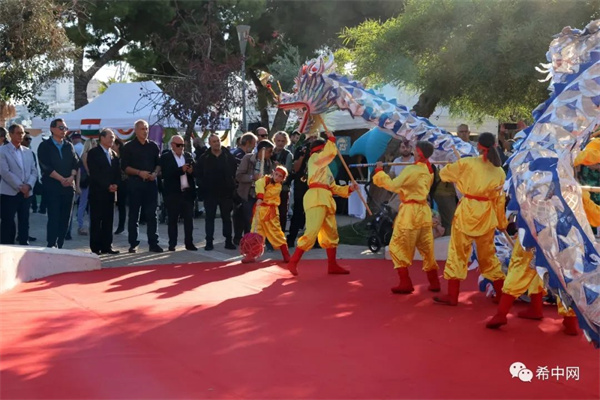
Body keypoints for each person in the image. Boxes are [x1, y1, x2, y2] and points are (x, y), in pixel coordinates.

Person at [433, 132, 507, 306]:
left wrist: (454, 168)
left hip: (467, 213)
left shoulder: (466, 163)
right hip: (487, 214)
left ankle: (452, 295)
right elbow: (499, 200)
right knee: (488, 256)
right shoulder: (499, 172)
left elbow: (444, 174)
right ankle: (502, 293)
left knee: (457, 254)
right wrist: (502, 223)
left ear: (479, 146)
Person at [372, 141, 441, 294]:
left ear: (418, 153)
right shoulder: (429, 171)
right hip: (424, 212)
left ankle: (405, 282)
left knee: (397, 246)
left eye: (415, 150)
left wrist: (379, 171)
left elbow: (393, 185)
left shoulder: (412, 170)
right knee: (427, 248)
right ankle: (434, 282)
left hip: (410, 213)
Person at [287, 132, 358, 276]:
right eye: (325, 148)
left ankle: (332, 265)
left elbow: (333, 187)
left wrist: (349, 189)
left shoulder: (326, 168)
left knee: (331, 233)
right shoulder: (314, 158)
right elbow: (330, 153)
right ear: (320, 149)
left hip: (326, 198)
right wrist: (331, 140)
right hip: (315, 197)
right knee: (312, 232)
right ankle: (293, 261)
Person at [120, 119, 163, 253]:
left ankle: (153, 243)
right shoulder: (129, 147)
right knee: (134, 215)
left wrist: (155, 173)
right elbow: (125, 167)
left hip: (151, 184)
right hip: (135, 184)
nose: (145, 131)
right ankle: (133, 243)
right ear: (136, 131)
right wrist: (139, 173)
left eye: (146, 129)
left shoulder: (153, 146)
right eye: (142, 129)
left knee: (152, 214)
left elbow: (159, 163)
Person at [37, 119, 79, 248]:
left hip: (68, 188)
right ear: (52, 129)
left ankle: (60, 244)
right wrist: (61, 179)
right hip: (53, 187)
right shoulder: (45, 146)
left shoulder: (68, 145)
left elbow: (75, 162)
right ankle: (51, 244)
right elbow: (45, 167)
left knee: (65, 218)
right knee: (54, 217)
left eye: (65, 128)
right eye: (61, 128)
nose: (64, 131)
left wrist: (71, 177)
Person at [195, 133, 238, 251]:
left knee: (226, 218)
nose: (217, 143)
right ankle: (209, 241)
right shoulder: (204, 158)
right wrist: (203, 186)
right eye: (214, 141)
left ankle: (228, 241)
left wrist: (231, 185)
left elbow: (234, 171)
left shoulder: (228, 156)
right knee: (209, 218)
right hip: (210, 193)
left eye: (218, 141)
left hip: (226, 193)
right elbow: (198, 174)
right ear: (209, 143)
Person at [242, 165, 291, 263]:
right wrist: (260, 193)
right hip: (260, 210)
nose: (277, 177)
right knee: (256, 232)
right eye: (276, 174)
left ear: (283, 179)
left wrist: (261, 195)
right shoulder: (265, 180)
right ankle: (251, 255)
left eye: (280, 176)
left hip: (270, 212)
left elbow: (268, 192)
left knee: (276, 232)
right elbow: (259, 183)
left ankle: (286, 254)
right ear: (273, 173)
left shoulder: (278, 187)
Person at [0, 124, 38, 245]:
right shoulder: (2, 151)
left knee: (24, 221)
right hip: (9, 193)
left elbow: (34, 171)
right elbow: (5, 172)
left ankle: (23, 243)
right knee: (8, 222)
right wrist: (20, 186)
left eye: (22, 133)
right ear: (10, 134)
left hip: (26, 193)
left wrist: (28, 186)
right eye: (18, 133)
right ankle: (6, 246)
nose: (20, 136)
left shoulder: (28, 152)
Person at [160, 135, 197, 251]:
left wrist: (191, 170)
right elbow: (166, 174)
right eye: (178, 145)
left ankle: (189, 243)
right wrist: (181, 170)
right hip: (173, 193)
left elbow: (196, 171)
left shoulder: (188, 156)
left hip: (187, 192)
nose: (181, 147)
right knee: (172, 220)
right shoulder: (166, 157)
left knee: (189, 220)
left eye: (183, 145)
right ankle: (172, 243)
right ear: (172, 145)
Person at [87, 128, 120, 255]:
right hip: (97, 192)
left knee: (108, 220)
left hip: (110, 193)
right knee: (96, 220)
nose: (112, 139)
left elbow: (117, 173)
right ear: (102, 137)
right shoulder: (94, 153)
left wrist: (116, 184)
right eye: (110, 137)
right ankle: (95, 247)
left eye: (113, 137)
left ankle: (107, 245)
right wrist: (107, 185)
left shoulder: (114, 154)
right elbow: (95, 173)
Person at [236, 140, 274, 241]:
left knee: (257, 219)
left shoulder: (268, 162)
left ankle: (254, 240)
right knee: (248, 219)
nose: (271, 154)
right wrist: (253, 177)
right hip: (248, 194)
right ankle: (247, 240)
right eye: (269, 151)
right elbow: (239, 176)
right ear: (262, 150)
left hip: (260, 195)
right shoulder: (248, 158)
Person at [287, 134, 318, 248]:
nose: (313, 139)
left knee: (314, 212)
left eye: (315, 137)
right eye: (311, 137)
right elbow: (296, 168)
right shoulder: (301, 149)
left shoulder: (321, 149)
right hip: (301, 183)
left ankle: (314, 239)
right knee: (298, 210)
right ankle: (291, 238)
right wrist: (302, 156)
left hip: (315, 184)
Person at [232, 132, 257, 244]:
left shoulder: (236, 153)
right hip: (240, 189)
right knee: (242, 217)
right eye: (254, 144)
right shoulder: (241, 156)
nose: (254, 147)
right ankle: (242, 238)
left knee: (241, 216)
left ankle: (239, 238)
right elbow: (238, 174)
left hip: (239, 189)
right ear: (248, 143)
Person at [271, 131, 293, 232]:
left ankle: (281, 234)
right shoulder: (270, 152)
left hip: (282, 188)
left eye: (282, 141)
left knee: (282, 213)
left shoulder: (288, 154)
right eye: (278, 140)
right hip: (270, 188)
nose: (280, 143)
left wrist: (279, 166)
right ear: (274, 140)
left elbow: (287, 172)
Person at [74, 138, 97, 236]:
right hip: (86, 182)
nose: (96, 145)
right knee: (83, 204)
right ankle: (81, 226)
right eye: (94, 143)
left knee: (88, 205)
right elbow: (88, 170)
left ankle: (90, 225)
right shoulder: (86, 154)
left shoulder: (90, 154)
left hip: (89, 182)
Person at [111, 138, 128, 234]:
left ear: (118, 145)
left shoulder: (123, 157)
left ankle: (121, 226)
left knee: (121, 205)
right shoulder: (113, 156)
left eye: (113, 145)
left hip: (123, 183)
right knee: (118, 205)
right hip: (116, 183)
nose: (112, 147)